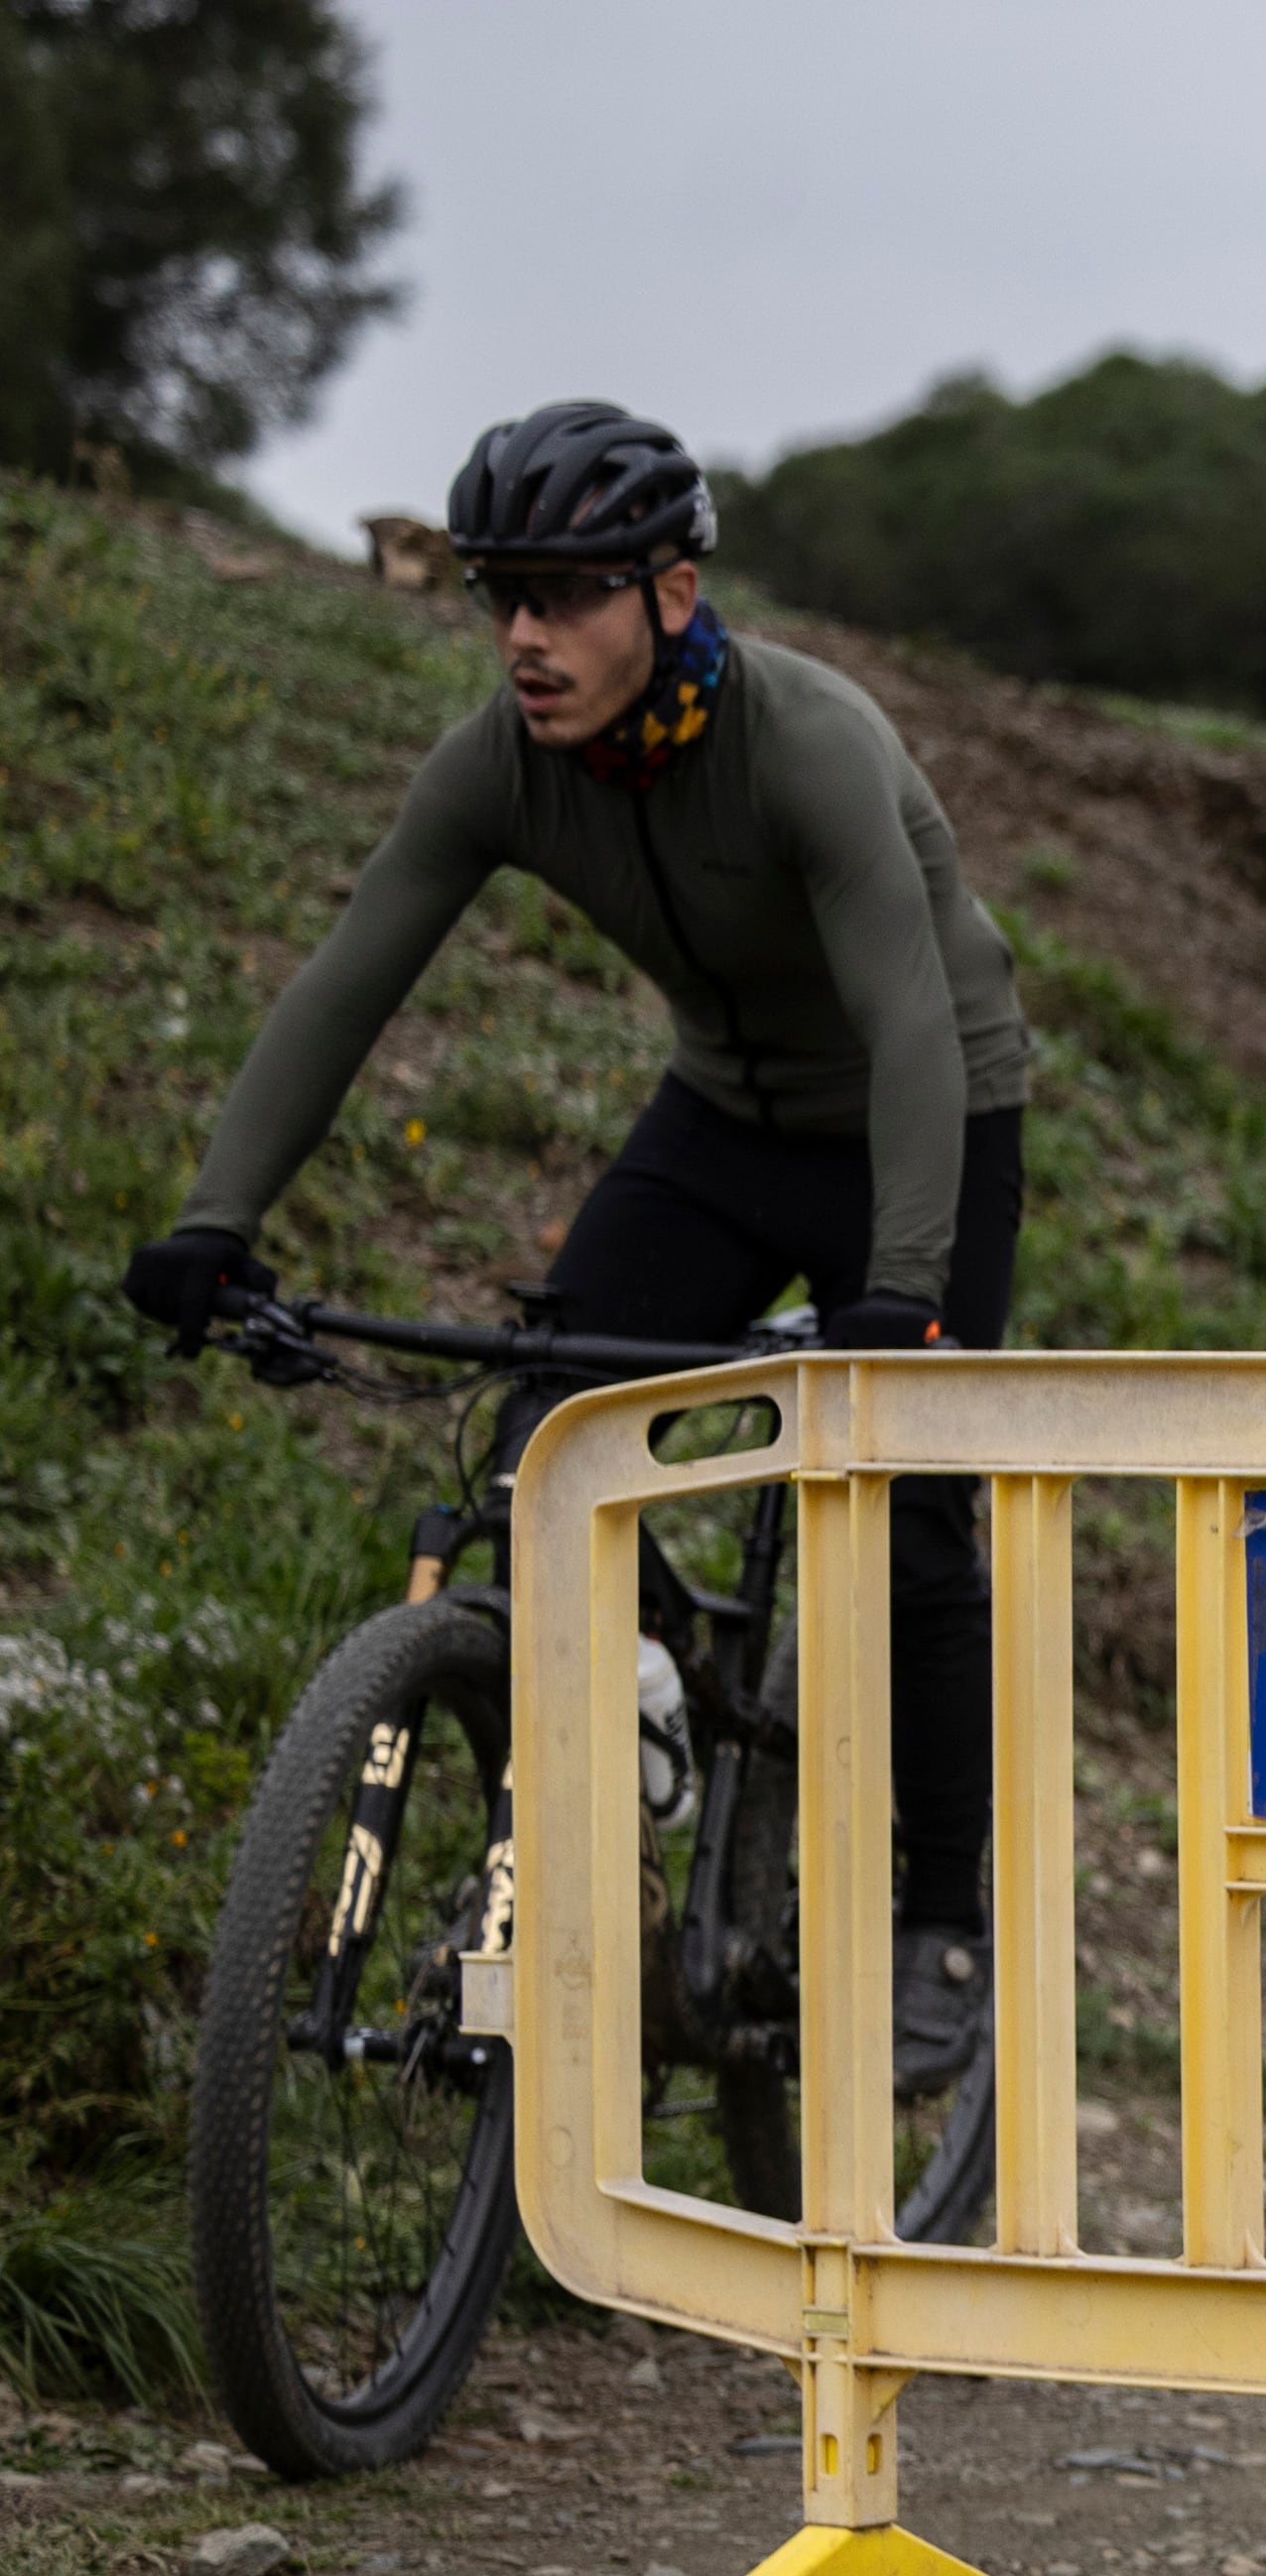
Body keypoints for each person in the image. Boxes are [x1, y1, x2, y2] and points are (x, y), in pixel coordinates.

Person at [119, 400, 1029, 2097]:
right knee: (545, 1437)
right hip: (721, 1123)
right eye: (501, 598)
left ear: (671, 594)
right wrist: (212, 1219)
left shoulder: (806, 744)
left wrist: (902, 1295)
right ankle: (625, 1759)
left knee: (916, 1500)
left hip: (930, 1123)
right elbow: (348, 979)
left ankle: (944, 1919)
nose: (524, 638)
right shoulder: (502, 767)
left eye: (564, 597)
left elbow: (912, 1022)